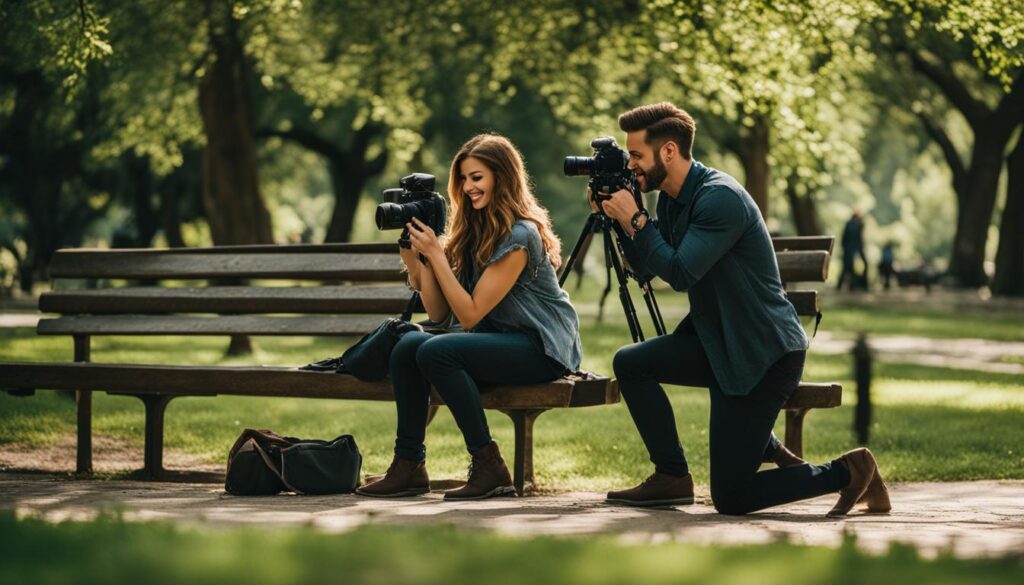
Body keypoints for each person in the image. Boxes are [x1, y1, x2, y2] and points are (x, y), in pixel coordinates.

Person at [595, 102, 890, 516]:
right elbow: (649, 265)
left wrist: (638, 222)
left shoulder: (720, 199)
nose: (630, 166)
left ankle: (848, 470)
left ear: (668, 152)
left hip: (761, 353)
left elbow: (680, 272)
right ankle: (672, 476)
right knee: (631, 363)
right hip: (718, 343)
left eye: (637, 156)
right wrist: (621, 221)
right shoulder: (671, 200)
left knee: (732, 498)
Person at [356, 133, 583, 501]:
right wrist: (419, 260)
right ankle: (409, 465)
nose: (468, 187)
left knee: (434, 352)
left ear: (502, 177)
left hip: (542, 347)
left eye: (477, 177)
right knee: (408, 344)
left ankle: (488, 465)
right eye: (463, 179)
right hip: (500, 340)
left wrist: (439, 256)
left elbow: (471, 314)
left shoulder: (521, 235)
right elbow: (439, 312)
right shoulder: (474, 230)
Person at [837, 210, 867, 291]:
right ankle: (852, 286)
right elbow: (859, 239)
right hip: (854, 249)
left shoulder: (848, 224)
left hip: (847, 249)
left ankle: (840, 285)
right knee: (851, 268)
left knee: (846, 268)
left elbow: (844, 237)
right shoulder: (858, 225)